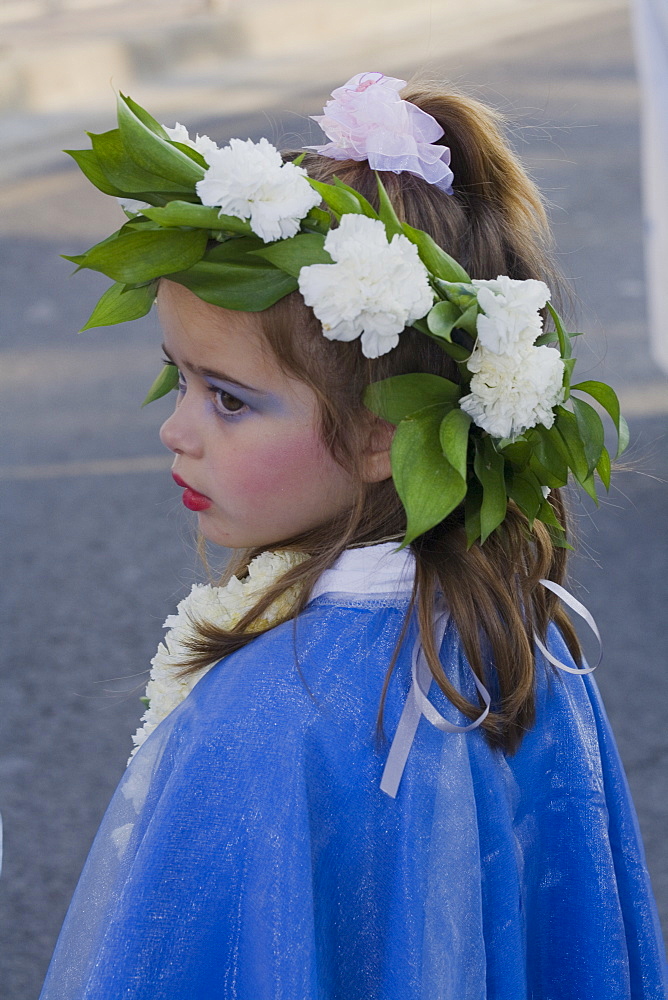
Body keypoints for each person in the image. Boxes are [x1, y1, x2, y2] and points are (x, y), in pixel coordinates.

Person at [40, 73, 667, 998]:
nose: (178, 430)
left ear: (384, 434)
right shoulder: (521, 642)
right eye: (180, 381)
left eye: (230, 399)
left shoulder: (266, 711)